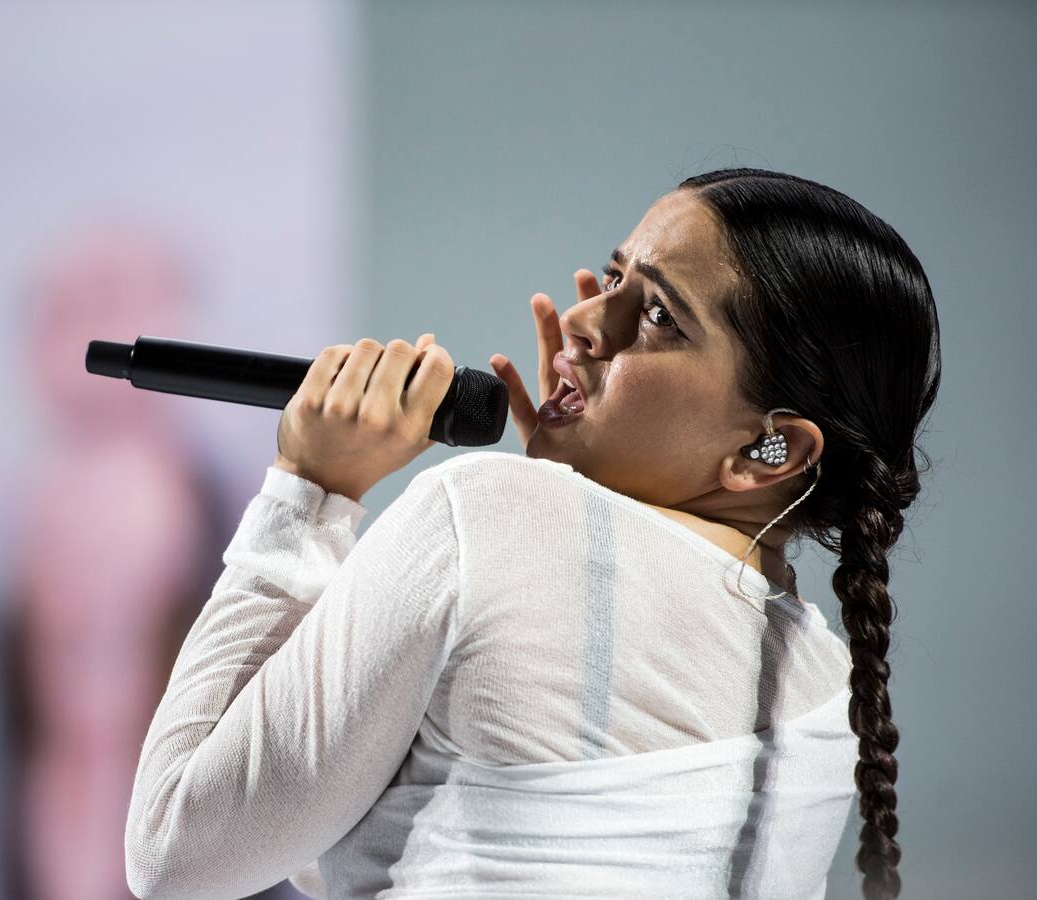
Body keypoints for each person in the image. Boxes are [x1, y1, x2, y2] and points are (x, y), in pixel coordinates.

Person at [124, 168, 940, 900]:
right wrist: (571, 511)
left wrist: (309, 491)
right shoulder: (828, 689)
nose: (583, 320)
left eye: (659, 316)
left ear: (771, 451)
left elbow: (176, 853)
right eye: (613, 279)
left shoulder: (486, 516)